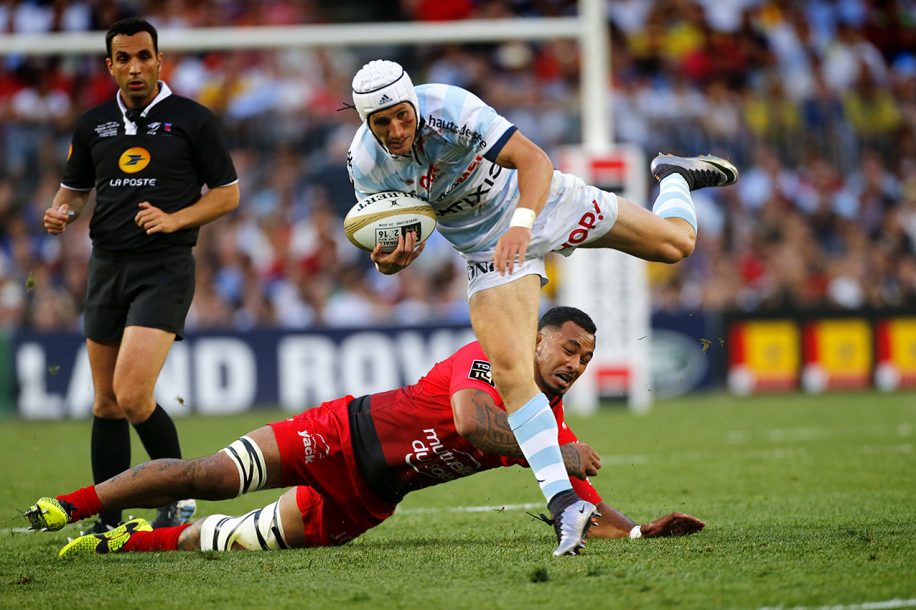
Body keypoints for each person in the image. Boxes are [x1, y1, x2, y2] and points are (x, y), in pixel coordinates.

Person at [346, 60, 737, 554]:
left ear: (414, 103)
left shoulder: (451, 106)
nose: (397, 130)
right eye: (382, 123)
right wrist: (391, 261)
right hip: (490, 255)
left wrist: (522, 223)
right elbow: (389, 246)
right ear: (366, 122)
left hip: (544, 205)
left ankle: (674, 176)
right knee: (512, 373)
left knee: (676, 245)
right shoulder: (365, 166)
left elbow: (535, 161)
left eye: (403, 116)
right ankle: (564, 507)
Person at [25, 307, 705, 558]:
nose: (577, 365)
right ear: (532, 345)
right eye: (568, 349)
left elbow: (581, 499)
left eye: (587, 357)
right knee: (209, 476)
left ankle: (125, 541)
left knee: (230, 540)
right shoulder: (481, 360)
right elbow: (470, 421)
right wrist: (550, 447)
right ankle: (72, 505)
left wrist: (640, 531)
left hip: (368, 500)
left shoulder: (550, 425)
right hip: (340, 435)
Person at [41, 18, 240, 532]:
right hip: (106, 266)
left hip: (165, 268)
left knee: (131, 395)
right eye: (123, 58)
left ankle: (177, 495)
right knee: (105, 402)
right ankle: (106, 519)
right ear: (110, 66)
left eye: (144, 56)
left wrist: (175, 219)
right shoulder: (92, 125)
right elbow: (75, 190)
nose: (135, 67)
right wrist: (61, 210)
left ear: (159, 60)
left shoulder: (193, 119)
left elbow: (227, 193)